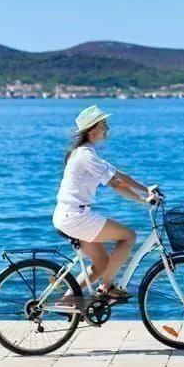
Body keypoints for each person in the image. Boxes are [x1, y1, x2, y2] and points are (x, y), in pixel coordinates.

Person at [53, 104, 156, 305]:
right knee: (128, 237)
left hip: (69, 215)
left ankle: (65, 301)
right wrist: (143, 201)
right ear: (93, 130)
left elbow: (119, 174)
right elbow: (115, 184)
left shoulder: (86, 153)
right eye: (103, 125)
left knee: (102, 265)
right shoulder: (86, 156)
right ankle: (106, 288)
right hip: (76, 217)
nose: (107, 129)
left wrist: (146, 190)